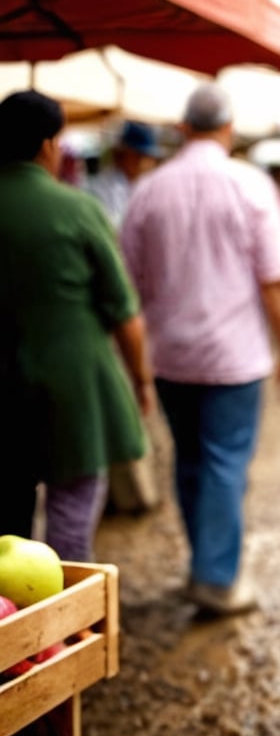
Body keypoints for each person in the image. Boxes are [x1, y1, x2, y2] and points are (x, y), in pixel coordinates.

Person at [120, 82, 280, 616]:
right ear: (227, 128)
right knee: (225, 462)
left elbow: (130, 280)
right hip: (234, 359)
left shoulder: (148, 191)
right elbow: (275, 282)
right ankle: (217, 581)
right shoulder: (249, 186)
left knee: (191, 460)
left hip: (171, 355)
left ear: (182, 129)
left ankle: (205, 564)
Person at [0, 90, 153, 561]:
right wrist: (142, 382)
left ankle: (11, 621)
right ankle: (66, 625)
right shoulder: (78, 209)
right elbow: (124, 313)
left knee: (8, 524)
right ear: (49, 144)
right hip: (76, 388)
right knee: (71, 510)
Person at [84, 120, 163, 229]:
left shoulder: (144, 185)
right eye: (139, 156)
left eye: (147, 157)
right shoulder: (100, 185)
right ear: (123, 154)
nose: (145, 163)